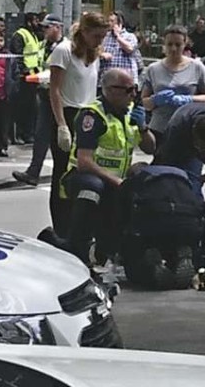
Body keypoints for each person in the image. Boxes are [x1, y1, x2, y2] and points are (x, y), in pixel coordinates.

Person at [61, 68, 156, 266]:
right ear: (110, 90)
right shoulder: (93, 115)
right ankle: (75, 247)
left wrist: (143, 127)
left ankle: (117, 251)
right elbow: (84, 162)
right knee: (92, 188)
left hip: (115, 181)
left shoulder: (129, 113)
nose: (133, 95)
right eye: (128, 90)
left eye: (135, 90)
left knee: (146, 178)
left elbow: (150, 148)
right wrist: (119, 182)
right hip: (83, 177)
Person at [47, 12, 109, 234]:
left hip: (87, 113)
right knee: (63, 173)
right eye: (96, 36)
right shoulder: (63, 51)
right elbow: (54, 89)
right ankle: (61, 226)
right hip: (67, 111)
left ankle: (79, 224)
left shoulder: (94, 54)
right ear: (84, 32)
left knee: (84, 171)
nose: (100, 41)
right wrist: (61, 124)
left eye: (103, 37)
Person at [141, 25, 205, 154]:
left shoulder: (196, 67)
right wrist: (155, 100)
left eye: (178, 44)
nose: (173, 49)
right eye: (169, 44)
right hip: (160, 130)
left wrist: (188, 99)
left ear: (185, 43)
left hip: (189, 130)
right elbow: (144, 103)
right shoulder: (153, 69)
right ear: (164, 44)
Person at [13, 13, 65, 185]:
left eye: (47, 27)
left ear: (57, 27)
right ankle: (33, 172)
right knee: (41, 135)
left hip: (61, 96)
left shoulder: (65, 47)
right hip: (44, 93)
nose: (44, 30)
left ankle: (63, 171)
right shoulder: (44, 45)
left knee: (61, 137)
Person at [156, 102, 205, 196]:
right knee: (188, 185)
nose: (203, 151)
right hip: (182, 145)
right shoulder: (177, 128)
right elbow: (166, 163)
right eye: (201, 147)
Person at [11, 13, 44, 144]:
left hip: (34, 76)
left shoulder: (34, 35)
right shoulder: (20, 35)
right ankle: (20, 134)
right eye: (36, 21)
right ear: (29, 22)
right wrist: (22, 71)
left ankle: (28, 133)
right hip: (25, 77)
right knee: (22, 107)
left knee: (32, 107)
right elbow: (17, 55)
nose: (38, 23)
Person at [100, 11, 140, 83]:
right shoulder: (104, 37)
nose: (109, 23)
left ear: (120, 23)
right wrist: (102, 55)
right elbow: (96, 51)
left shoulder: (130, 36)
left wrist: (118, 36)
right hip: (107, 78)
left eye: (112, 21)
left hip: (126, 78)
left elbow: (130, 49)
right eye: (108, 21)